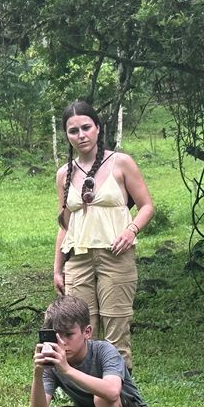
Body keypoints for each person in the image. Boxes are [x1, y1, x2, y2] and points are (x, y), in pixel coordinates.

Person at [53, 100, 153, 367]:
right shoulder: (64, 174)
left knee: (116, 332)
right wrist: (57, 269)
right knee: (79, 332)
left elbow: (146, 206)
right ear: (67, 135)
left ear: (97, 128)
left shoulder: (121, 162)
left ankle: (121, 390)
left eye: (86, 127)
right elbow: (65, 225)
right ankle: (85, 390)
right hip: (78, 259)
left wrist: (131, 230)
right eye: (73, 130)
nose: (81, 135)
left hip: (115, 256)